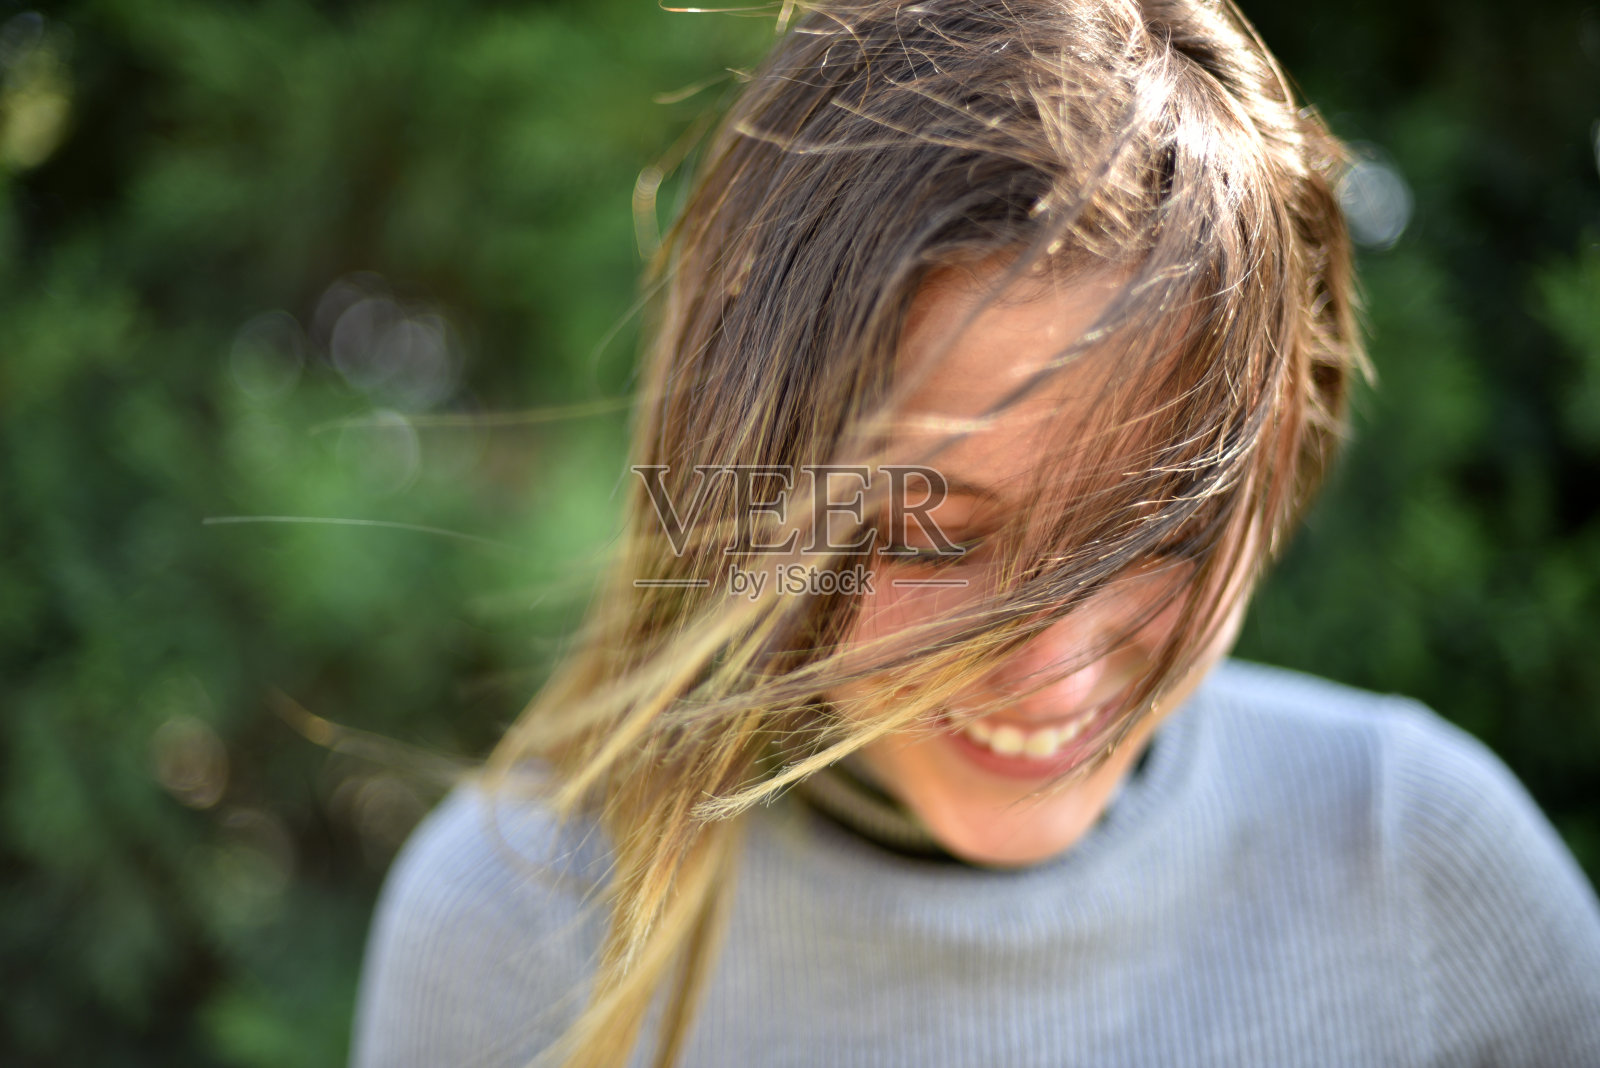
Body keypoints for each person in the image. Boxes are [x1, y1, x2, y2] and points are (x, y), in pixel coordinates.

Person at [350, 1, 1600, 1065]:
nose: (1048, 670)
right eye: (923, 529)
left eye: (1151, 532)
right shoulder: (517, 927)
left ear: (1283, 462)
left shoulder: (1418, 864)